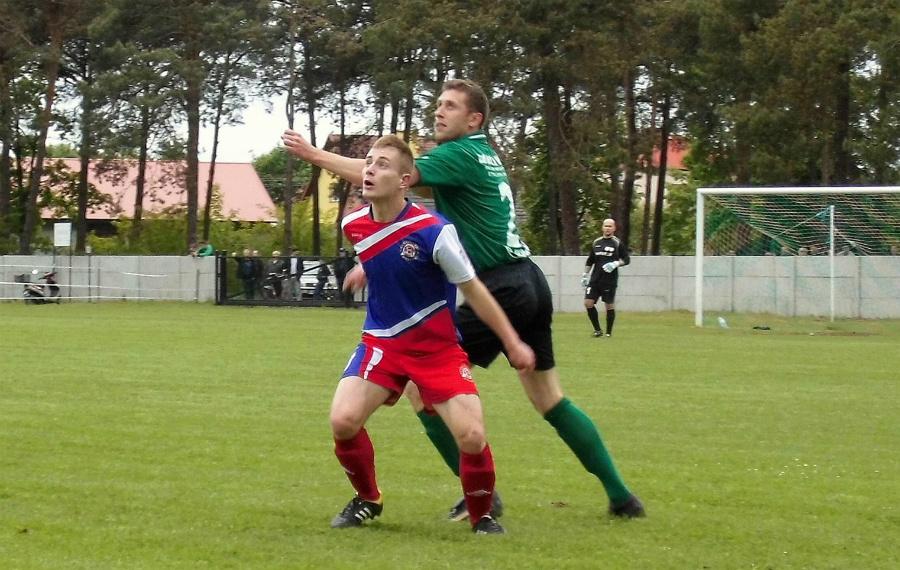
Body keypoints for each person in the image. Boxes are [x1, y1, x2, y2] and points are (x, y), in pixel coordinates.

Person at [283, 79, 644, 522]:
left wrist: (315, 155)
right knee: (549, 399)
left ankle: (481, 496)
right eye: (437, 104)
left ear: (474, 120)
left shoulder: (457, 154)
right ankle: (622, 497)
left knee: (420, 385)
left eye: (450, 107)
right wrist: (376, 259)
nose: (439, 112)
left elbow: (387, 177)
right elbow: (426, 219)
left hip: (497, 286)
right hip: (529, 279)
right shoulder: (483, 155)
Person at [327, 135, 535, 534]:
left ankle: (483, 517)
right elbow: (386, 251)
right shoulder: (353, 223)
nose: (370, 169)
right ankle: (368, 499)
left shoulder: (435, 231)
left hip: (436, 349)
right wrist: (365, 268)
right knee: (343, 420)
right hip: (382, 343)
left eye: (382, 164)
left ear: (406, 180)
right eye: (368, 162)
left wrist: (511, 341)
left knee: (472, 436)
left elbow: (473, 288)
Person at [581, 218, 629, 338]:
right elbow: (590, 260)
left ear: (614, 228)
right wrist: (585, 275)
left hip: (609, 280)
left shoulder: (617, 243)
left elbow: (627, 260)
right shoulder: (596, 242)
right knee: (588, 303)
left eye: (610, 226)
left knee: (609, 305)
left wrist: (615, 264)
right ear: (602, 227)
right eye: (605, 226)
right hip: (595, 279)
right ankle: (597, 330)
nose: (607, 228)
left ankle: (608, 332)